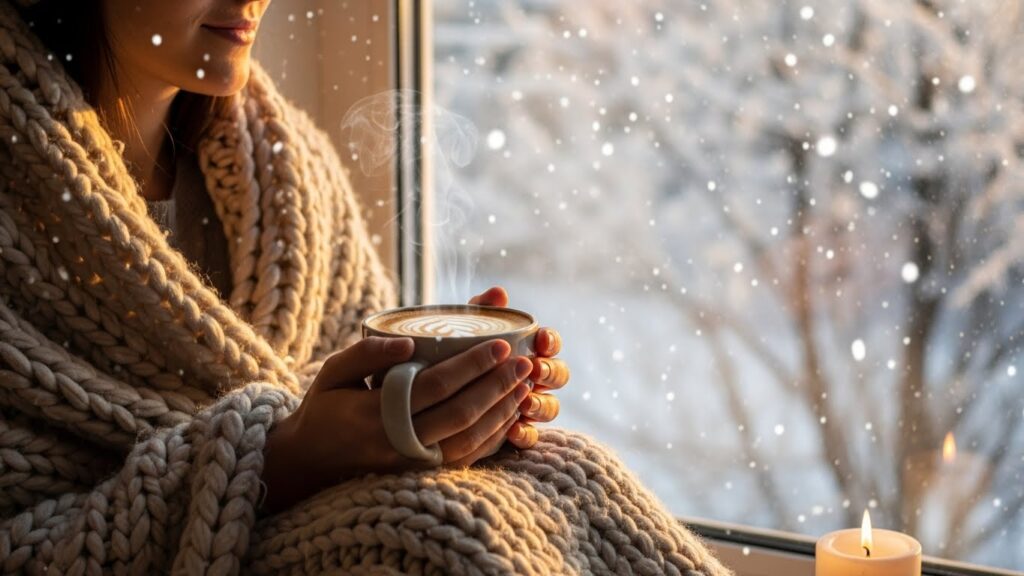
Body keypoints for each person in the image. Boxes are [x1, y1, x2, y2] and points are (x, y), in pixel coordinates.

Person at [0, 0, 732, 574]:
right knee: (442, 537)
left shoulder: (287, 181)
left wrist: (458, 403)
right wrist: (275, 461)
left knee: (568, 469)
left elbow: (348, 394)